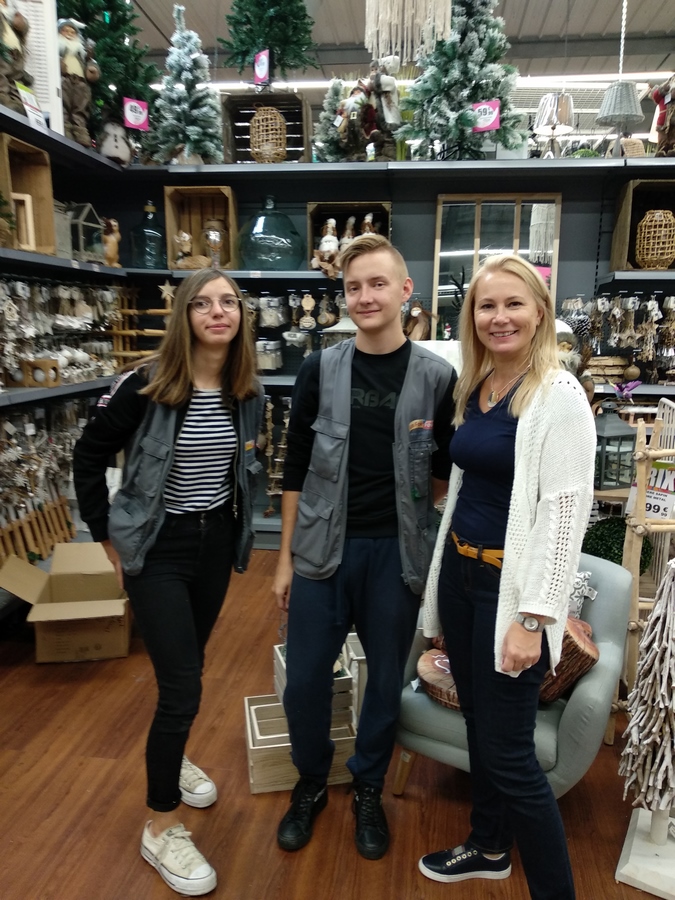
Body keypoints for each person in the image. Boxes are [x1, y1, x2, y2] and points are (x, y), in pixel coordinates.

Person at [73, 268, 264, 896]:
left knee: (189, 667)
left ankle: (172, 753)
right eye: (202, 303)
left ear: (241, 316)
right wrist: (104, 536)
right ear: (184, 315)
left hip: (214, 544)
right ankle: (160, 826)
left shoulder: (246, 390)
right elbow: (88, 453)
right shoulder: (147, 385)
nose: (217, 312)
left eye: (228, 302)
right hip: (157, 547)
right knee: (182, 687)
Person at [273, 233, 457, 860]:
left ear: (406, 291)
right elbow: (296, 465)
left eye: (378, 284)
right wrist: (283, 559)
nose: (365, 297)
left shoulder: (438, 377)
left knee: (383, 681)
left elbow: (443, 473)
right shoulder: (319, 369)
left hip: (397, 556)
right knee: (304, 681)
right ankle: (310, 780)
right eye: (354, 287)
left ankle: (369, 785)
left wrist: (420, 527)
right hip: (321, 551)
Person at [418, 254, 595, 899]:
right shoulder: (480, 385)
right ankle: (490, 845)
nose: (499, 317)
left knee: (512, 756)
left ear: (539, 312)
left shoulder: (558, 395)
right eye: (486, 306)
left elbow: (563, 518)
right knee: (478, 727)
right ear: (472, 316)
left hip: (508, 595)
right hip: (461, 578)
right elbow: (464, 486)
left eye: (513, 303)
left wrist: (532, 617)